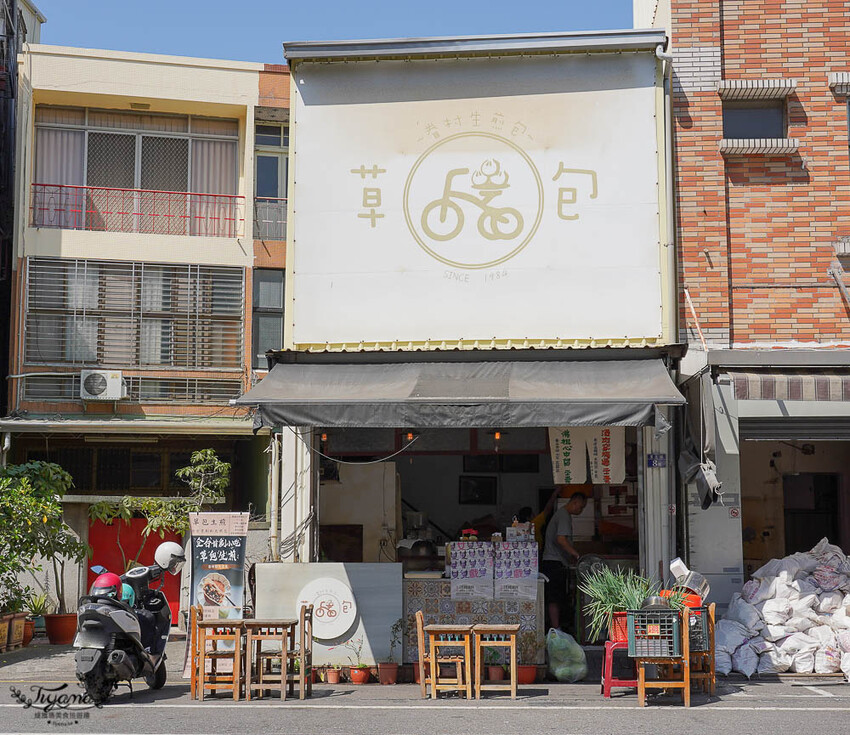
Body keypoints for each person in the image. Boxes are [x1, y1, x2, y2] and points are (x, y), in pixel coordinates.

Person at [540, 492, 588, 632]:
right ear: (575, 502)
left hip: (554, 561)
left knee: (556, 597)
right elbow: (561, 539)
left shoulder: (561, 514)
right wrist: (576, 554)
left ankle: (557, 628)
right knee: (554, 598)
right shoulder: (563, 516)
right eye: (581, 507)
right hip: (554, 562)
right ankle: (556, 630)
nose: (581, 510)